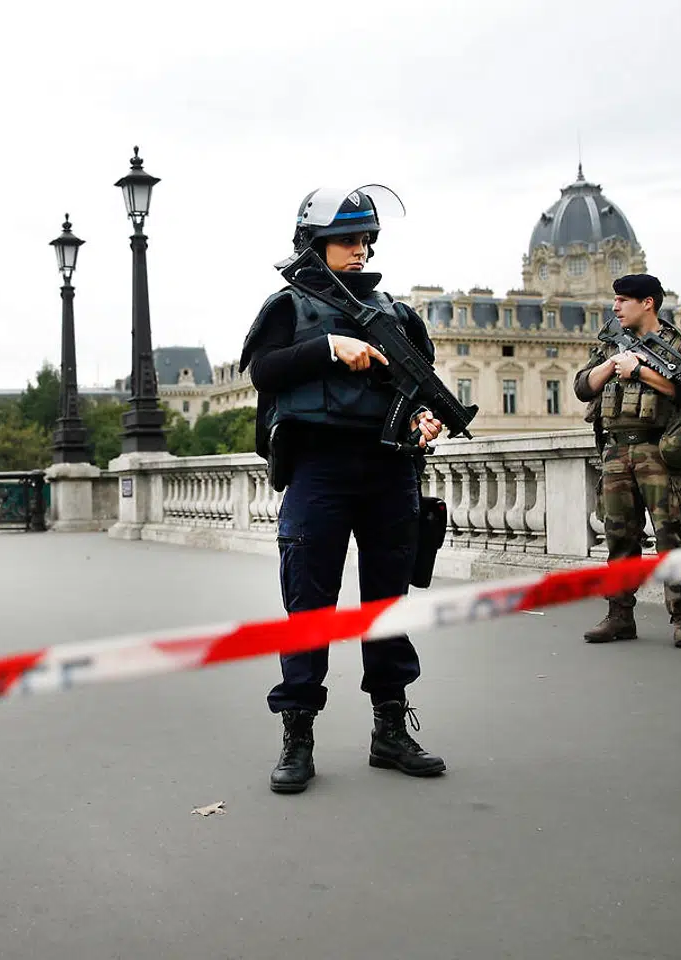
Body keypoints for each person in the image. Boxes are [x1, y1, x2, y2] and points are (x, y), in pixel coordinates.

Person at [239, 186, 447, 795]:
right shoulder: (287, 306)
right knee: (309, 605)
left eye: (364, 240)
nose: (359, 250)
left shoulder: (399, 314)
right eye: (346, 240)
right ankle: (297, 734)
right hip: (319, 471)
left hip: (389, 471)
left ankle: (389, 730)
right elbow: (264, 372)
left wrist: (424, 421)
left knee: (386, 606)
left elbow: (421, 389)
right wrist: (331, 347)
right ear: (314, 243)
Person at [574, 274, 681, 648]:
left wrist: (639, 371)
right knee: (619, 537)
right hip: (615, 450)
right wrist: (613, 364)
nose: (615, 307)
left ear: (647, 302)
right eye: (615, 300)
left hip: (657, 448)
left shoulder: (676, 344)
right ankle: (619, 617)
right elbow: (583, 387)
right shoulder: (609, 342)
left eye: (622, 300)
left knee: (670, 536)